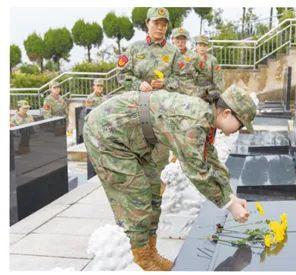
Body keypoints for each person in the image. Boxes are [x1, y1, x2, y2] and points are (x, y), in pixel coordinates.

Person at [83, 84, 256, 271]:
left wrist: (231, 196)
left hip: (131, 139)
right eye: (240, 125)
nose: (238, 130)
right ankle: (139, 258)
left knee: (154, 192)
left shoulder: (206, 117)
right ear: (226, 113)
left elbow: (209, 158)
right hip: (107, 134)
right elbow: (197, 171)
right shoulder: (193, 121)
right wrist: (228, 205)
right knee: (137, 196)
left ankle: (149, 253)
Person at [117, 7, 180, 93]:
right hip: (137, 99)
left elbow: (180, 78)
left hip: (164, 101)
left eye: (164, 25)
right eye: (156, 23)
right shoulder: (133, 48)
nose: (160, 28)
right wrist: (138, 84)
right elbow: (121, 75)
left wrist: (165, 83)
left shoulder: (174, 52)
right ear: (147, 23)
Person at [170, 27, 201, 96]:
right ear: (172, 40)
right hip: (172, 89)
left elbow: (201, 73)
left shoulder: (194, 56)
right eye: (177, 38)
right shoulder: (168, 55)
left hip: (190, 90)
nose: (180, 42)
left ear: (186, 40)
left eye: (183, 39)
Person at [194, 35, 224, 100]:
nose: (202, 48)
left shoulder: (213, 60)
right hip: (194, 92)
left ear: (207, 47)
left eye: (204, 46)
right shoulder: (191, 59)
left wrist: (218, 93)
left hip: (209, 92)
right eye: (200, 45)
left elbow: (218, 78)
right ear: (196, 46)